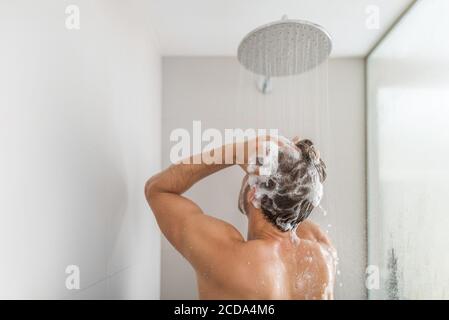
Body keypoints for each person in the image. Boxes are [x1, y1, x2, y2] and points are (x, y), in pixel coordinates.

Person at [145, 135, 337, 299]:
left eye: (248, 173)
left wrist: (235, 152)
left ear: (254, 194)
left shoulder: (228, 256)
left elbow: (158, 190)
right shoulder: (322, 254)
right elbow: (295, 197)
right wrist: (297, 168)